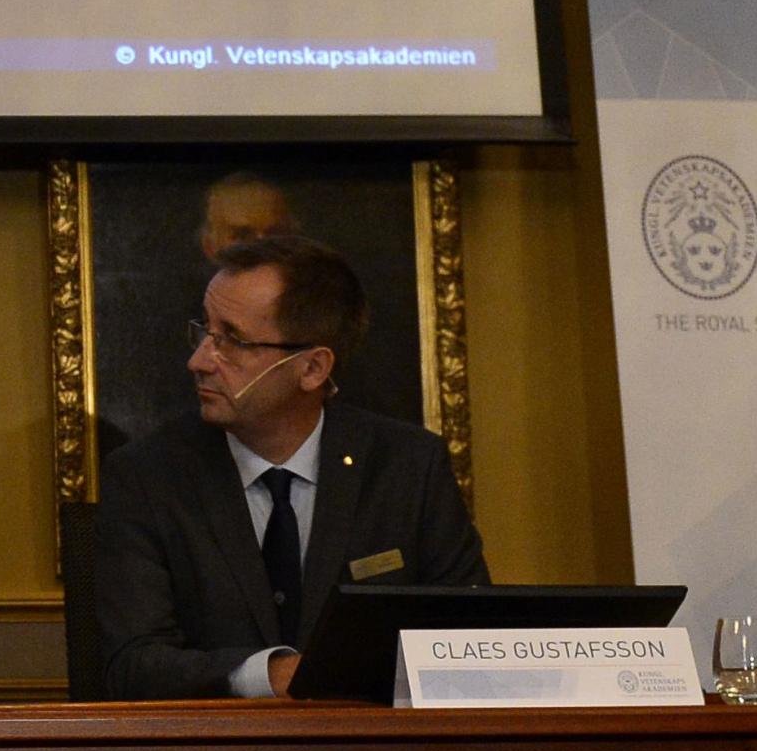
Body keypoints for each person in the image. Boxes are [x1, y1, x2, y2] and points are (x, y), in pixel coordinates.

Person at [94, 233, 485, 700]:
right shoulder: (146, 477)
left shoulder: (408, 467)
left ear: (313, 369)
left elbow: (469, 640)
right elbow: (131, 665)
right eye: (205, 332)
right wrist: (269, 675)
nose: (199, 360)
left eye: (233, 340)